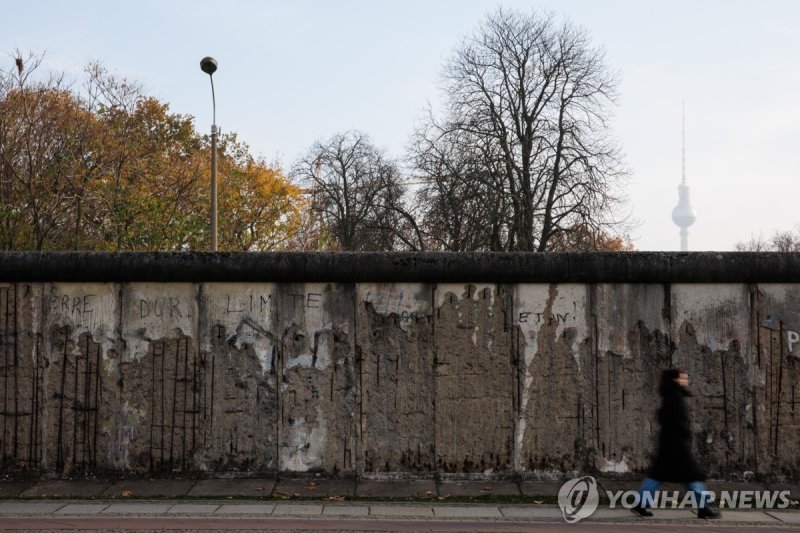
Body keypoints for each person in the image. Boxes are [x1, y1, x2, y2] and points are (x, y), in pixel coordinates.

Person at [632, 368, 721, 519]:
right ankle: (703, 507)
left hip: (668, 445)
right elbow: (678, 421)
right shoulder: (675, 397)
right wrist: (685, 432)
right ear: (675, 379)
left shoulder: (669, 395)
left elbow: (661, 417)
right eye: (682, 378)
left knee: (657, 476)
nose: (685, 380)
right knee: (691, 477)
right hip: (677, 445)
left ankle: (640, 504)